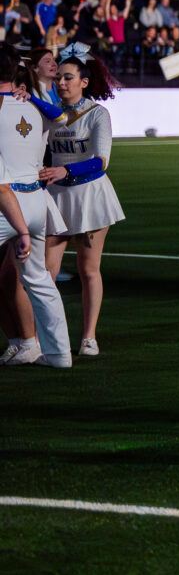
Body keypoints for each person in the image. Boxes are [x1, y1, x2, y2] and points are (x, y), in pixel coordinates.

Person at [40, 44, 123, 357]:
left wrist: (65, 168)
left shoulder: (97, 114)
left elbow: (101, 161)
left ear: (84, 82)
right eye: (59, 77)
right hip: (57, 195)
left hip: (90, 195)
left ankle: (89, 337)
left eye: (69, 77)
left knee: (89, 270)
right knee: (46, 273)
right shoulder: (50, 111)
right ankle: (46, 335)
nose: (61, 82)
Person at [0, 54, 69, 367]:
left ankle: (27, 343)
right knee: (39, 280)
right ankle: (59, 354)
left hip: (6, 203)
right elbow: (61, 118)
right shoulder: (34, 106)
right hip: (37, 201)